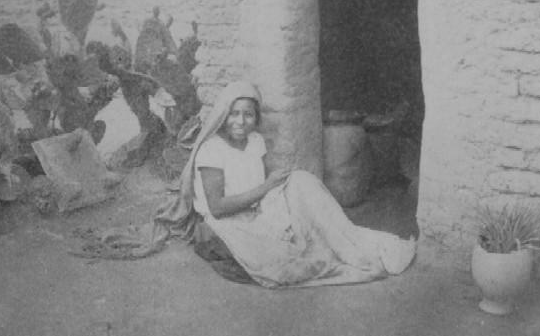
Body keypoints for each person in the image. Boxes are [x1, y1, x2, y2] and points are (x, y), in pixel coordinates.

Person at [173, 80, 416, 288]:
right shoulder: (212, 150)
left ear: (256, 118)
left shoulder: (255, 141)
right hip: (230, 223)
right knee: (283, 262)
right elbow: (217, 208)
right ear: (223, 115)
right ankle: (336, 250)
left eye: (248, 114)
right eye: (234, 114)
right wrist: (268, 187)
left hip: (256, 210)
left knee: (302, 180)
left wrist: (280, 185)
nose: (240, 121)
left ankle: (349, 242)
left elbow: (260, 181)